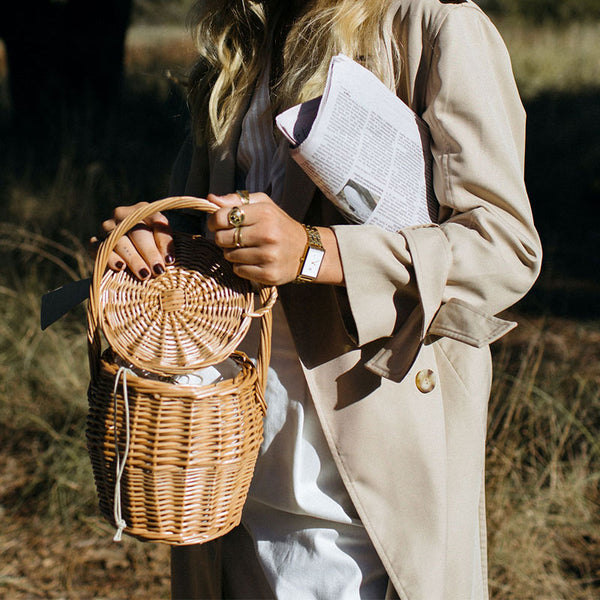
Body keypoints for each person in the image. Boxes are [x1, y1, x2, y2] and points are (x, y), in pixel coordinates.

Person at [96, 0, 542, 597]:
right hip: (231, 453)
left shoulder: (434, 24)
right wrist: (165, 240)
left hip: (368, 464)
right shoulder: (240, 37)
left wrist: (314, 251)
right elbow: (212, 226)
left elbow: (504, 250)